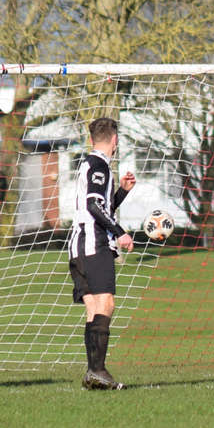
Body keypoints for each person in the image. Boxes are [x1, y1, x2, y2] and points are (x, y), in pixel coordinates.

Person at [69, 117, 135, 390]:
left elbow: (101, 204)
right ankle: (97, 370)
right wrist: (120, 231)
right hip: (93, 243)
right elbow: (95, 205)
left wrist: (122, 192)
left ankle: (92, 372)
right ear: (114, 140)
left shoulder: (89, 163)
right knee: (105, 304)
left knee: (94, 309)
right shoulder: (100, 165)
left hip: (79, 245)